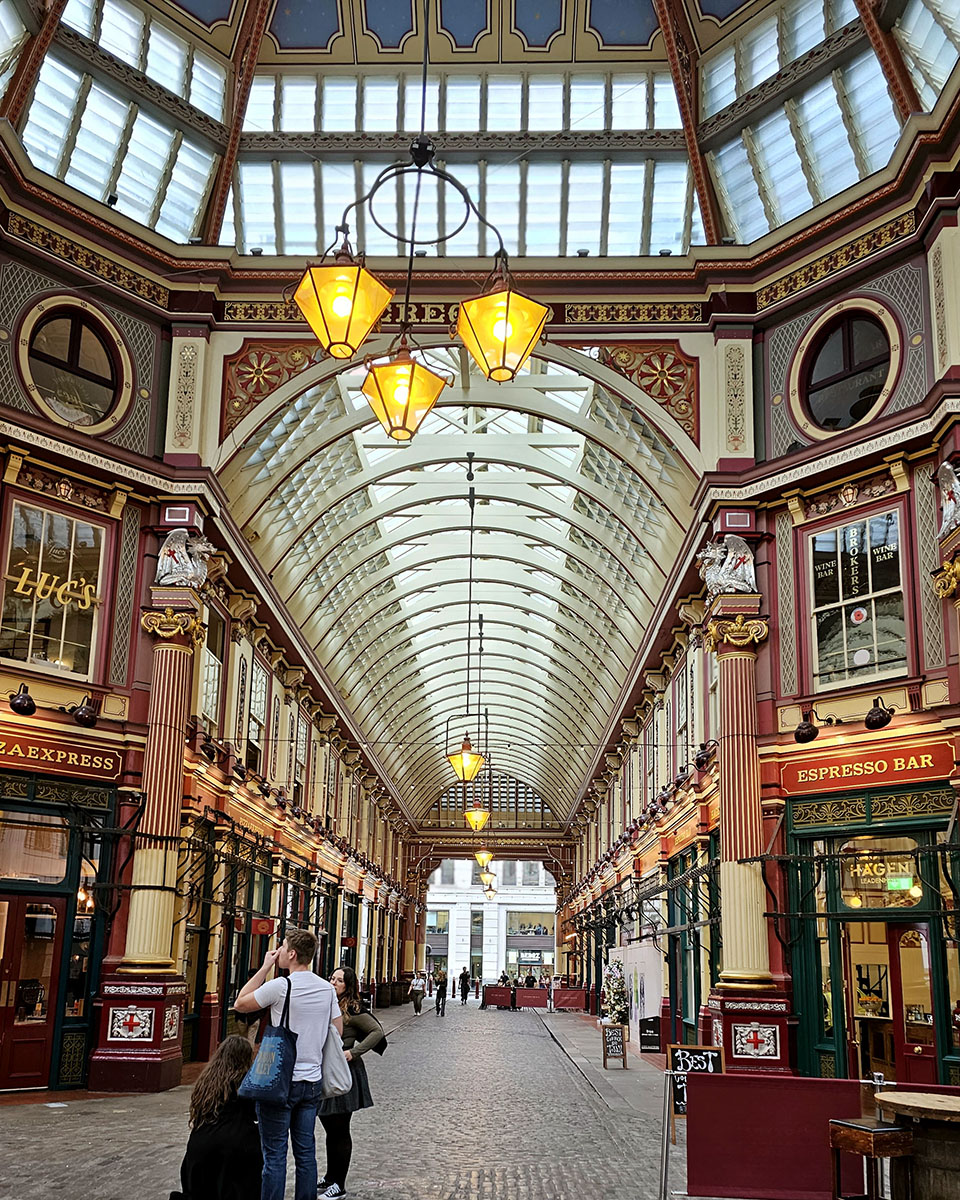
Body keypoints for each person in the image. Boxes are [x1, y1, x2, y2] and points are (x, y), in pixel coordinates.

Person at [234, 929, 340, 1200]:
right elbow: (336, 1030)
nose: (279, 951)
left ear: (292, 954)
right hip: (311, 1083)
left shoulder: (282, 986)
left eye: (282, 947)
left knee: (275, 1156)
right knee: (306, 1153)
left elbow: (240, 1003)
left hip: (279, 1082)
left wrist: (266, 966)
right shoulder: (327, 989)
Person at [317, 965, 383, 1200]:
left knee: (339, 1129)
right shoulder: (327, 1003)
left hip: (344, 1073)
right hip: (327, 1070)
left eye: (339, 980)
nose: (333, 982)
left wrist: (353, 1052)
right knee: (328, 1126)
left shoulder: (353, 1009)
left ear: (348, 986)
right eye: (332, 978)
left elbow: (377, 1031)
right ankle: (330, 1176)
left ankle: (339, 1185)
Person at [170, 1035, 262, 1200]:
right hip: (234, 1148)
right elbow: (254, 1114)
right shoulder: (247, 1082)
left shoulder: (206, 1080)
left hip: (200, 1147)